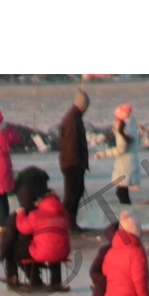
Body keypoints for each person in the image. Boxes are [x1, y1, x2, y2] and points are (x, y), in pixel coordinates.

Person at [14, 180, 71, 288]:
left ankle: (35, 280)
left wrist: (20, 214)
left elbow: (23, 228)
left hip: (43, 252)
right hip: (63, 251)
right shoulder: (64, 213)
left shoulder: (36, 214)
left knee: (25, 253)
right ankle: (56, 282)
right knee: (55, 248)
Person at [58, 89, 91, 230]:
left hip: (73, 163)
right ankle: (67, 223)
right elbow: (71, 144)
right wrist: (78, 163)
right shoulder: (72, 119)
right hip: (72, 164)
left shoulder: (74, 117)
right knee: (72, 195)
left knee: (76, 193)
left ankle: (70, 222)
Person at [108, 102, 139, 206]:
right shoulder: (131, 124)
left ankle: (127, 216)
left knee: (121, 193)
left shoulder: (124, 127)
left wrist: (104, 153)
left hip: (125, 165)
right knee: (122, 192)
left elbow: (121, 149)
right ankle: (127, 215)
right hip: (129, 163)